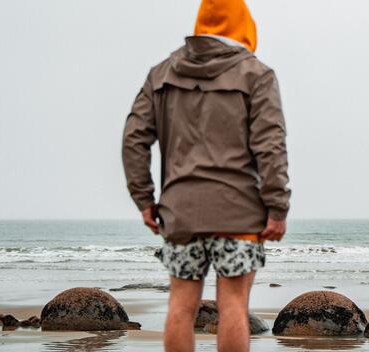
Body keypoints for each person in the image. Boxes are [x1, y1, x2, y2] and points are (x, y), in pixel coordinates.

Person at [121, 1, 290, 351]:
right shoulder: (256, 74)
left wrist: (144, 200)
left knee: (181, 307)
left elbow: (133, 138)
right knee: (233, 307)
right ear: (243, 25)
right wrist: (277, 207)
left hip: (180, 211)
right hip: (238, 213)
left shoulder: (162, 73)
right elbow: (270, 145)